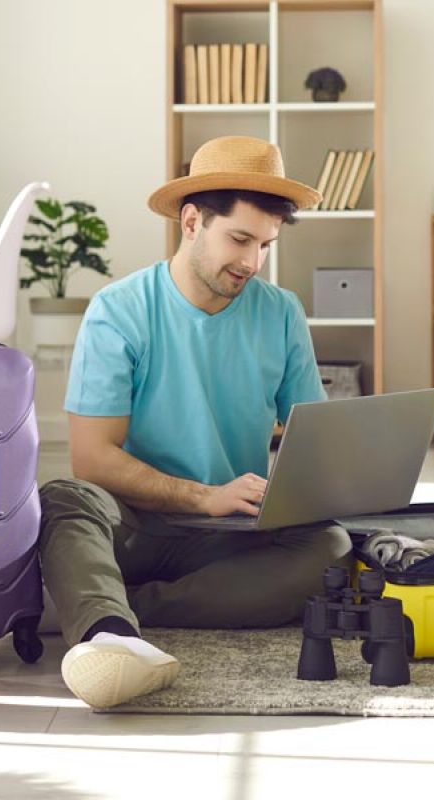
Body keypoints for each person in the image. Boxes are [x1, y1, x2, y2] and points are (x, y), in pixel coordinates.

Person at [38, 135, 352, 709]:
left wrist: (343, 473)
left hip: (230, 536)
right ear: (191, 222)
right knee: (65, 498)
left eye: (265, 245)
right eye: (239, 239)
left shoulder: (280, 312)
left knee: (331, 544)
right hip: (135, 524)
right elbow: (93, 459)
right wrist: (201, 496)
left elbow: (314, 438)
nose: (252, 263)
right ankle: (112, 636)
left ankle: (116, 609)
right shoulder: (119, 309)